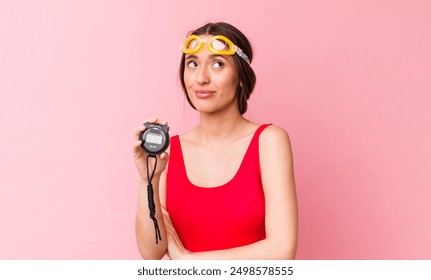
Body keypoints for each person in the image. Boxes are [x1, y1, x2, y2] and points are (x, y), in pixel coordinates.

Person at [133, 22, 297, 260]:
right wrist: (146, 179)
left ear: (241, 76)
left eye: (217, 64)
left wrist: (189, 262)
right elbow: (152, 253)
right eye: (192, 63)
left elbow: (282, 252)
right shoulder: (168, 151)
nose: (201, 78)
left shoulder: (269, 141)